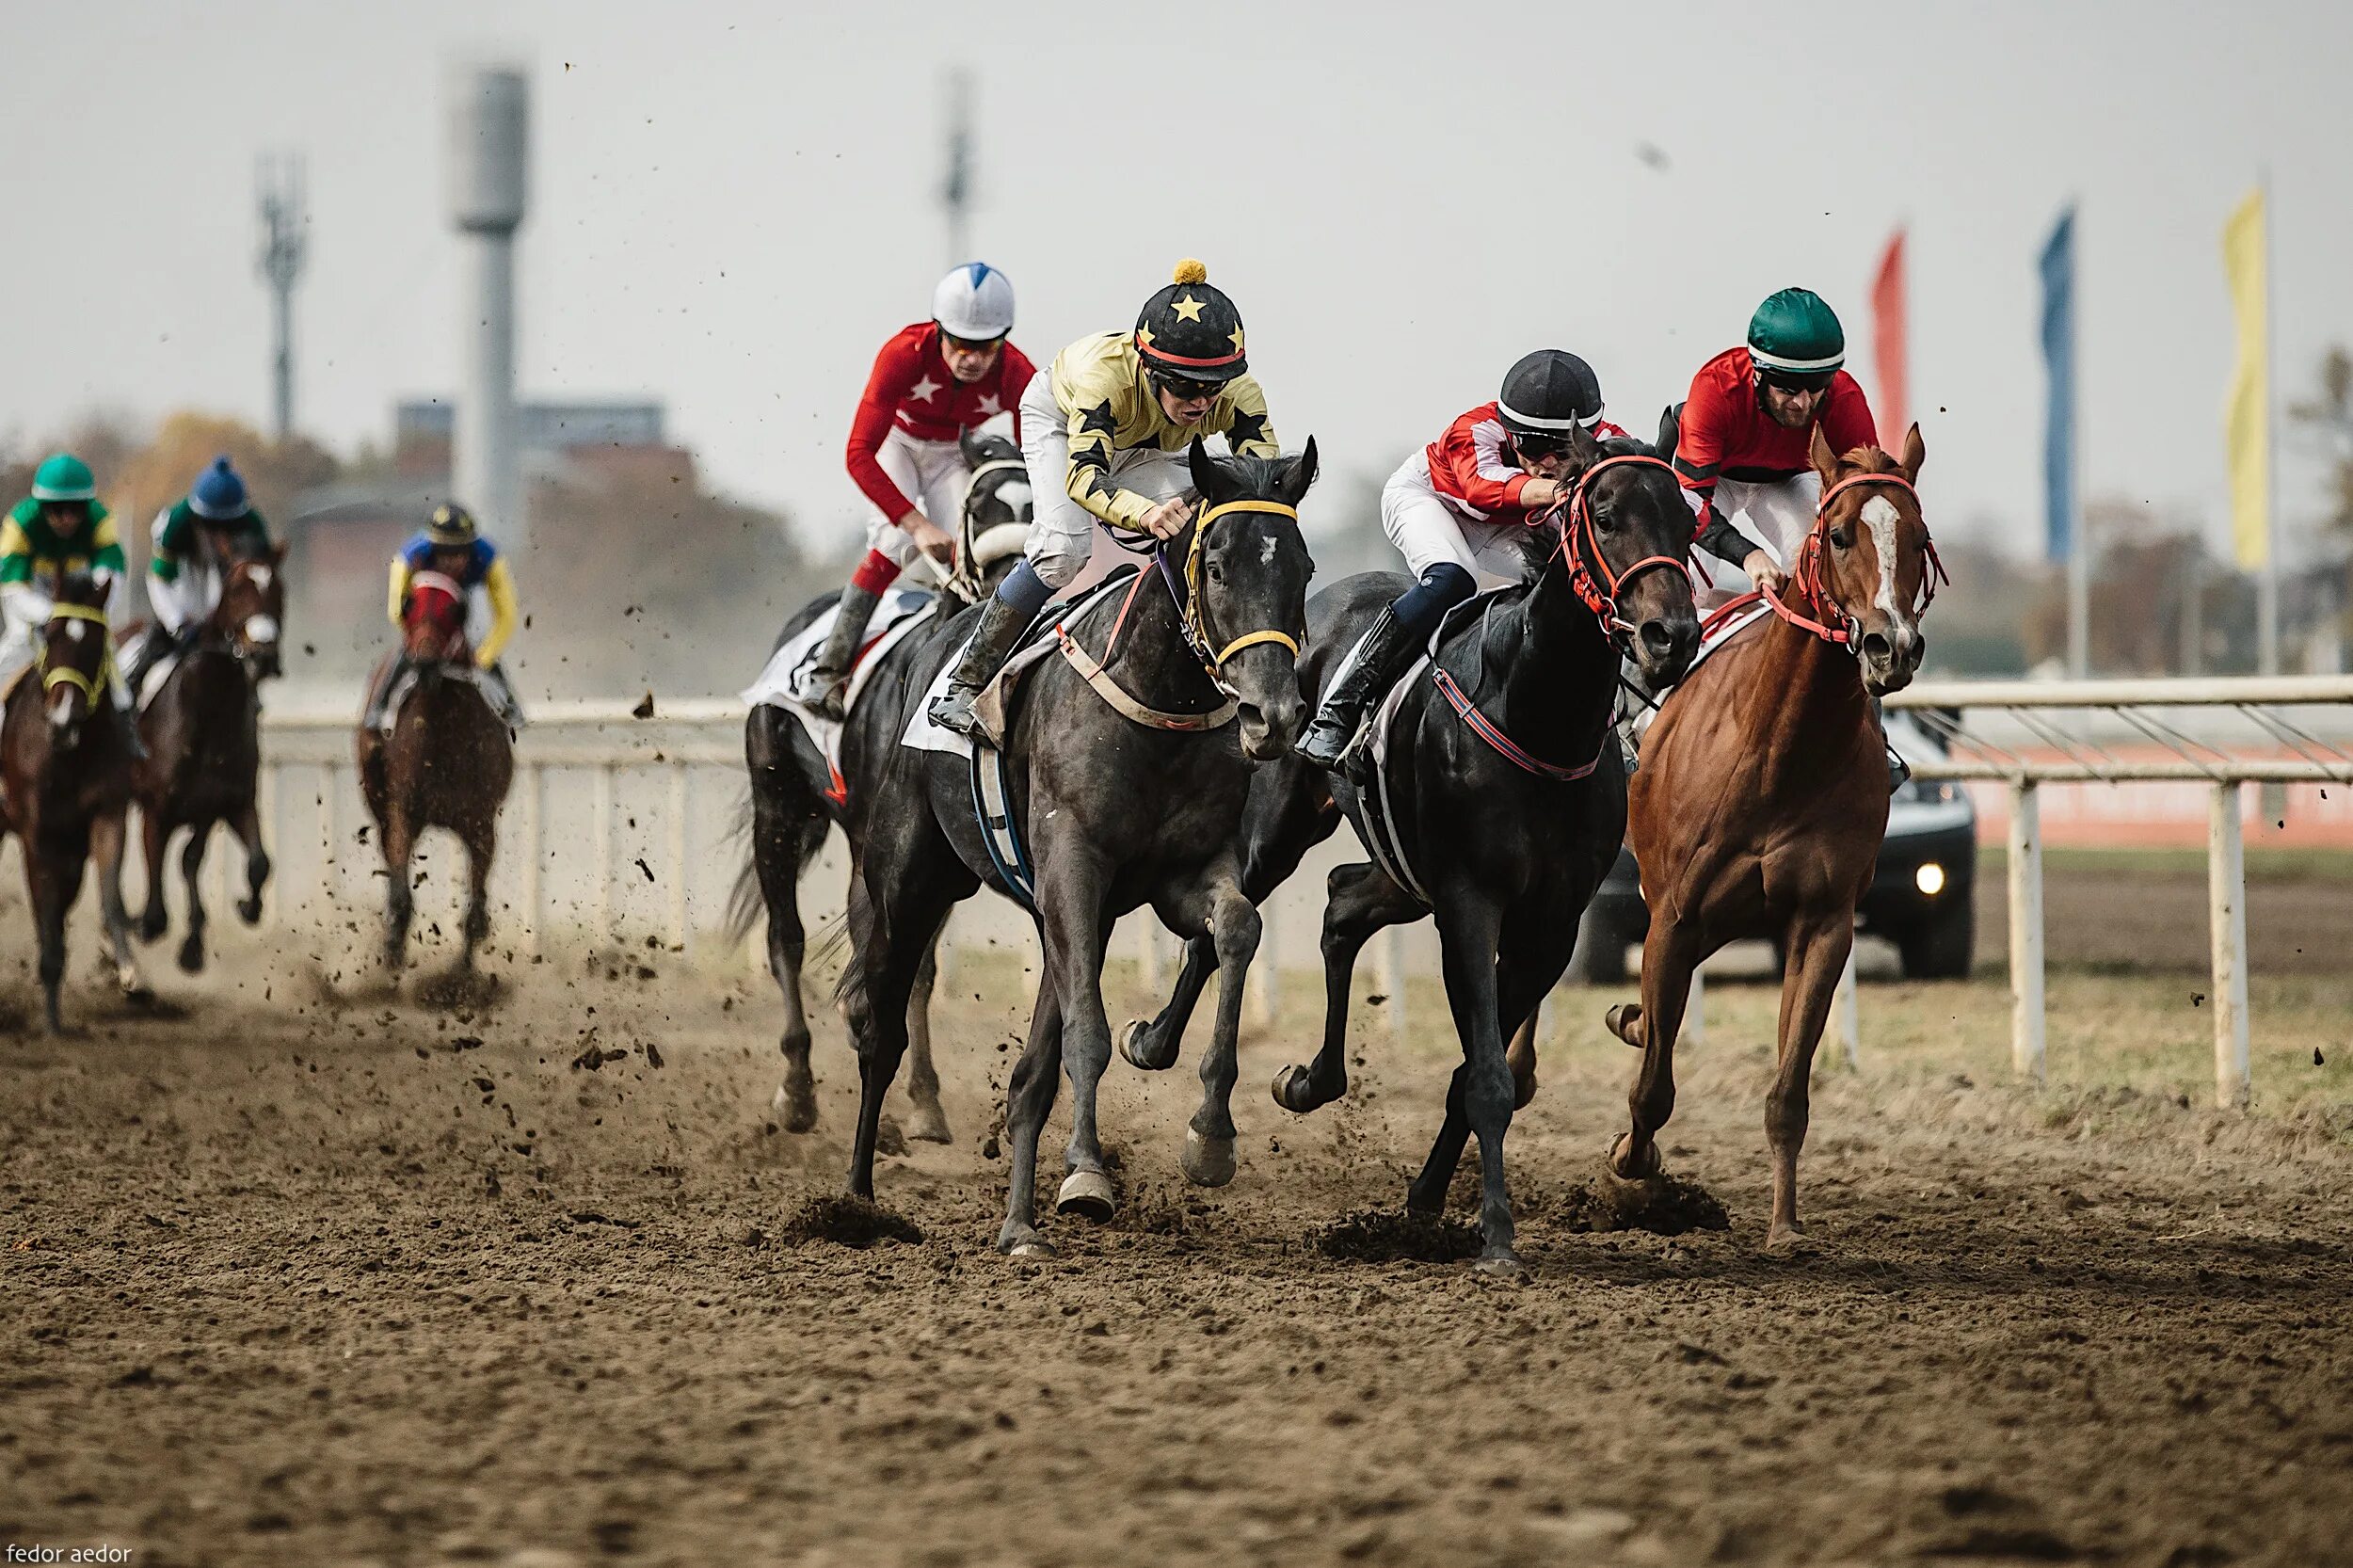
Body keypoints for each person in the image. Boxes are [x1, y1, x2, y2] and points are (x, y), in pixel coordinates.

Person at [928, 258, 1277, 737]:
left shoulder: (1241, 394)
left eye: (1213, 388)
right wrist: (1145, 513)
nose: (1200, 402)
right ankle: (966, 681)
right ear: (1150, 370)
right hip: (1061, 423)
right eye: (1184, 386)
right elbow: (1084, 479)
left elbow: (1262, 493)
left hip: (1144, 443)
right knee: (1062, 551)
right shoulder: (1104, 378)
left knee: (1208, 527)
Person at [1295, 351, 1630, 772]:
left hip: (1508, 524)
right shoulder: (1474, 428)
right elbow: (1481, 489)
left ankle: (1602, 724)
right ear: (1509, 430)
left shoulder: (1611, 440)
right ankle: (1337, 710)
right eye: (1532, 446)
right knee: (1453, 579)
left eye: (1562, 450)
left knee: (1575, 588)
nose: (1547, 462)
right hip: (1431, 499)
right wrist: (1566, 488)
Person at [806, 263, 1036, 718]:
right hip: (899, 443)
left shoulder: (1017, 371)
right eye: (960, 344)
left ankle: (977, 666)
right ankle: (829, 672)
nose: (971, 360)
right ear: (939, 331)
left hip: (954, 453)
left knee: (972, 553)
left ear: (1003, 340)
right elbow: (858, 454)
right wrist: (916, 524)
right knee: (895, 542)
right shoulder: (902, 353)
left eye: (986, 347)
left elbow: (1032, 455)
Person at [1673, 287, 1880, 593]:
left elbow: (1871, 494)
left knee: (1810, 568)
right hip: (1717, 484)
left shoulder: (1844, 398)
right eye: (1788, 388)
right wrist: (1749, 555)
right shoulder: (1715, 389)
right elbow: (1689, 506)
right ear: (1758, 375)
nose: (1803, 403)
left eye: (1817, 385)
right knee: (1689, 584)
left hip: (1787, 482)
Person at [0, 452, 140, 752]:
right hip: (31, 610)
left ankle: (128, 732)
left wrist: (86, 611)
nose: (67, 519)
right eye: (58, 509)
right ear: (41, 506)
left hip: (78, 601)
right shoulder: (20, 524)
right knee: (7, 661)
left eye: (76, 509)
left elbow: (111, 575)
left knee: (111, 663)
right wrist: (52, 615)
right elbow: (13, 589)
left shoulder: (100, 520)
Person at [121, 455, 274, 701]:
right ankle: (133, 682)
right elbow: (159, 581)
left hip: (224, 576)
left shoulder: (253, 526)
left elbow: (261, 581)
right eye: (212, 525)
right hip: (183, 573)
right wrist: (177, 623)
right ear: (198, 517)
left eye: (229, 526)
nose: (220, 535)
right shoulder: (177, 525)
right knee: (166, 632)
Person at [360, 502, 522, 730]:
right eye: (443, 552)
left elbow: (507, 617)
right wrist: (418, 640)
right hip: (425, 604)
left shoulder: (490, 560)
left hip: (461, 599)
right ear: (432, 546)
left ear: (471, 549)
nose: (450, 560)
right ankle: (379, 706)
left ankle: (510, 705)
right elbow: (397, 611)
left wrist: (483, 657)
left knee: (481, 649)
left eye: (459, 552)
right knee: (406, 652)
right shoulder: (410, 557)